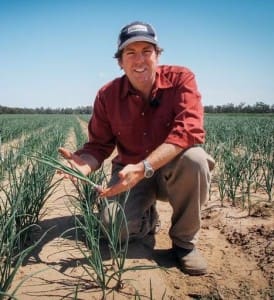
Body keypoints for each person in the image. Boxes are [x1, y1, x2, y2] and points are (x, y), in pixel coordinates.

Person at [59, 21, 215, 276]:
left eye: (146, 51)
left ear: (157, 55)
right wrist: (83, 164)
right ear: (120, 61)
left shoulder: (180, 79)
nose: (139, 59)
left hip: (171, 169)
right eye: (130, 53)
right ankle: (147, 218)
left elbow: (189, 130)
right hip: (127, 172)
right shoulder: (107, 95)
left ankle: (184, 245)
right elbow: (99, 145)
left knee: (195, 159)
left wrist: (145, 167)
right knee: (113, 230)